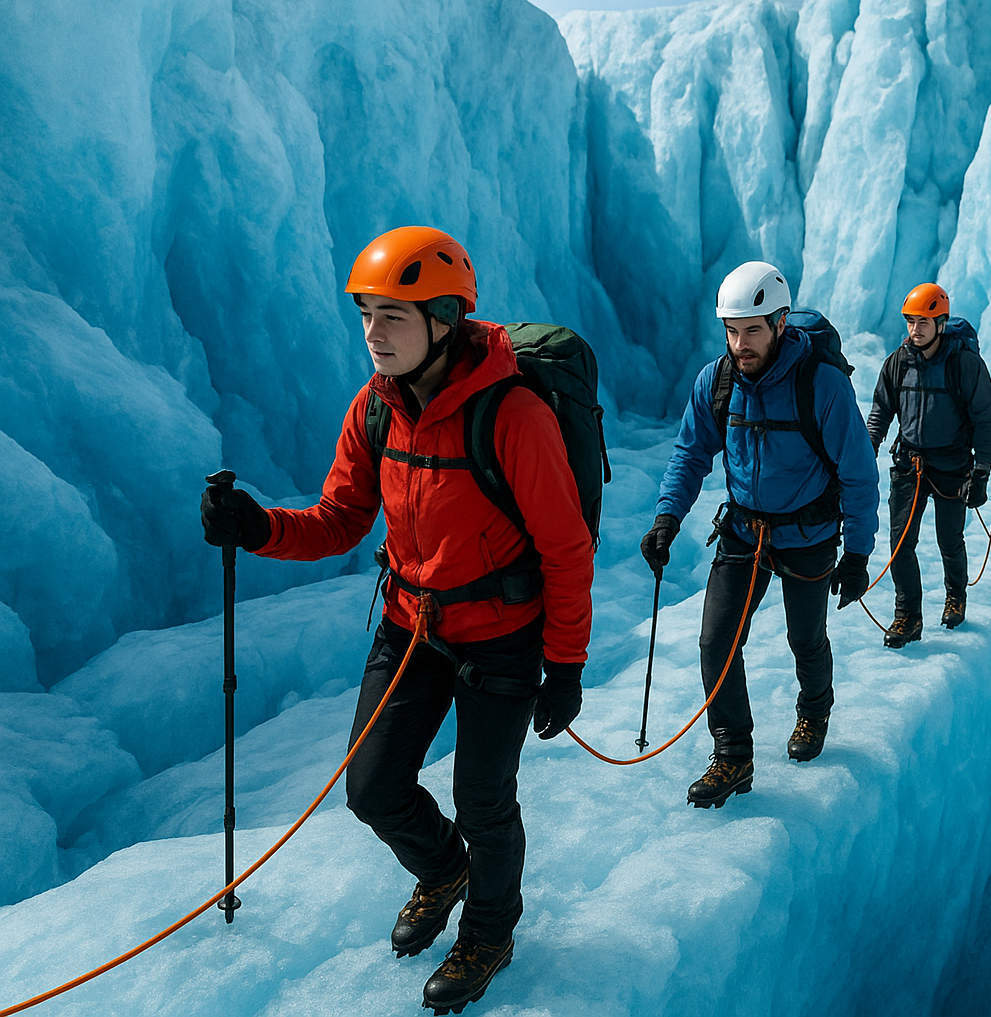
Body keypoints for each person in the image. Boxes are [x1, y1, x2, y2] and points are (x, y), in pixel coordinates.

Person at [200, 226, 594, 1014]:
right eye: (367, 314)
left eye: (394, 316)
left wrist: (566, 666)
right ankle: (443, 868)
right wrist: (259, 527)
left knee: (484, 798)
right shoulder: (376, 408)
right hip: (411, 627)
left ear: (444, 319)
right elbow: (341, 518)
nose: (373, 334)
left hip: (501, 638)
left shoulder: (513, 415)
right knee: (373, 787)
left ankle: (490, 927)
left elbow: (565, 548)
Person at [639, 261, 879, 808]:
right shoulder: (716, 381)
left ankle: (814, 711)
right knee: (715, 642)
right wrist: (666, 518)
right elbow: (691, 453)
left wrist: (859, 553)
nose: (739, 343)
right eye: (730, 330)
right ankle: (733, 757)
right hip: (744, 533)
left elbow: (859, 474)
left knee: (805, 639)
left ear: (780, 322)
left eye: (751, 330)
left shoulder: (821, 384)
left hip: (809, 534)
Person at [866, 282, 991, 646]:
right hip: (909, 465)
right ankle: (908, 617)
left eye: (924, 322)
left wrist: (981, 472)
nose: (915, 329)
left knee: (949, 540)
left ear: (941, 323)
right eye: (911, 321)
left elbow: (986, 420)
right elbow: (881, 409)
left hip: (952, 467)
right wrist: (867, 448)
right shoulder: (898, 362)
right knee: (900, 544)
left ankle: (956, 595)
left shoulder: (964, 364)